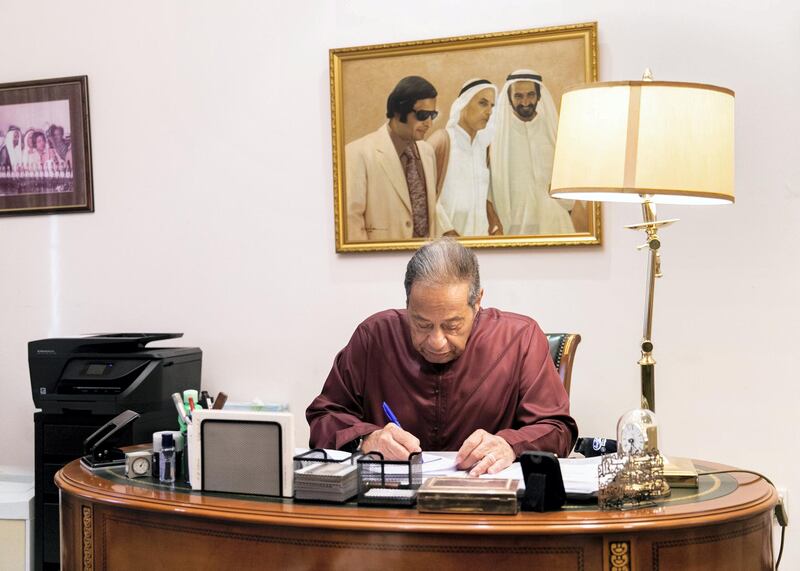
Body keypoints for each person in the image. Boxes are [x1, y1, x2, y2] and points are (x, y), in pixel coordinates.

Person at [306, 238, 577, 476]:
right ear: (408, 304)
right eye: (422, 324)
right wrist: (366, 439)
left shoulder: (520, 339)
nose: (436, 341)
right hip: (389, 507)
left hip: (488, 509)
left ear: (478, 302)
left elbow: (557, 429)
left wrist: (509, 445)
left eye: (452, 325)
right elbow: (325, 415)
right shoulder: (374, 336)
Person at [345, 76, 438, 242]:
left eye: (433, 115)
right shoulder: (357, 153)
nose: (429, 123)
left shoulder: (427, 152)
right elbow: (351, 223)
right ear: (398, 111)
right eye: (423, 115)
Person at [490, 69, 575, 235]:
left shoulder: (552, 130)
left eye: (530, 95)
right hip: (516, 224)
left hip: (555, 221)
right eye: (518, 96)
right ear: (509, 97)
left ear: (539, 96)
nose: (525, 102)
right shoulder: (498, 136)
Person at [428, 79, 504, 237]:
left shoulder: (482, 148)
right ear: (463, 104)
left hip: (478, 241)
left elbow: (479, 194)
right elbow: (424, 192)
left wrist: (493, 221)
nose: (489, 111)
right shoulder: (442, 140)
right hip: (445, 243)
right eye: (483, 103)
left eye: (492, 106)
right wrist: (446, 230)